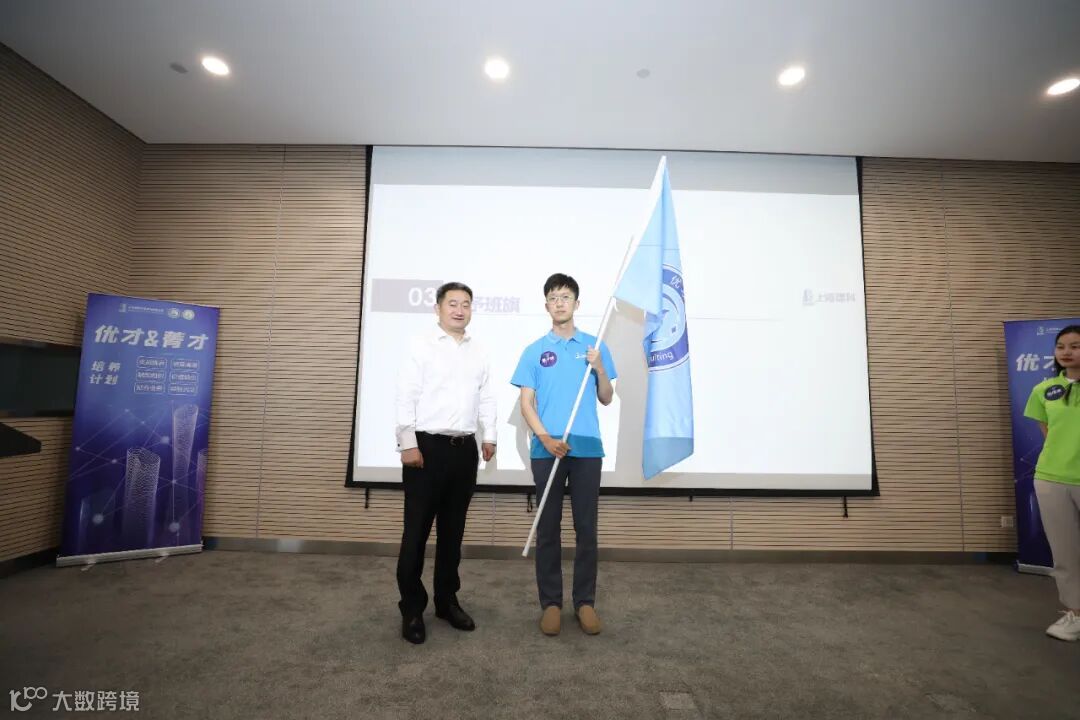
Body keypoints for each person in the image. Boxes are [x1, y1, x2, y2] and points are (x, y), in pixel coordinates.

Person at [511, 273, 617, 636]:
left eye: (566, 297)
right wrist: (545, 437)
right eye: (554, 297)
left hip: (587, 449)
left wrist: (599, 367)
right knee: (548, 529)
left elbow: (606, 397)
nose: (560, 302)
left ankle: (585, 602)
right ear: (546, 305)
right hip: (547, 449)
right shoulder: (534, 351)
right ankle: (551, 604)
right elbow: (526, 403)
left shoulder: (594, 347)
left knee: (586, 528)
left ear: (577, 303)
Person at [394, 281, 497, 644]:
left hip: (464, 450)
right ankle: (411, 607)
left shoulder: (479, 350)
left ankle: (446, 601)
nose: (459, 309)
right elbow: (405, 395)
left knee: (453, 534)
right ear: (437, 308)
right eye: (452, 303)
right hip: (426, 449)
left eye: (466, 304)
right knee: (416, 534)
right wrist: (407, 442)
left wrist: (489, 436)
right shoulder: (420, 345)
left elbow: (487, 396)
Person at [1024, 324, 1080, 642]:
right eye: (1061, 346)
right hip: (1052, 479)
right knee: (1065, 552)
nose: (1067, 352)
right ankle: (1075, 613)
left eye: (1075, 346)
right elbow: (1049, 432)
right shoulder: (1044, 390)